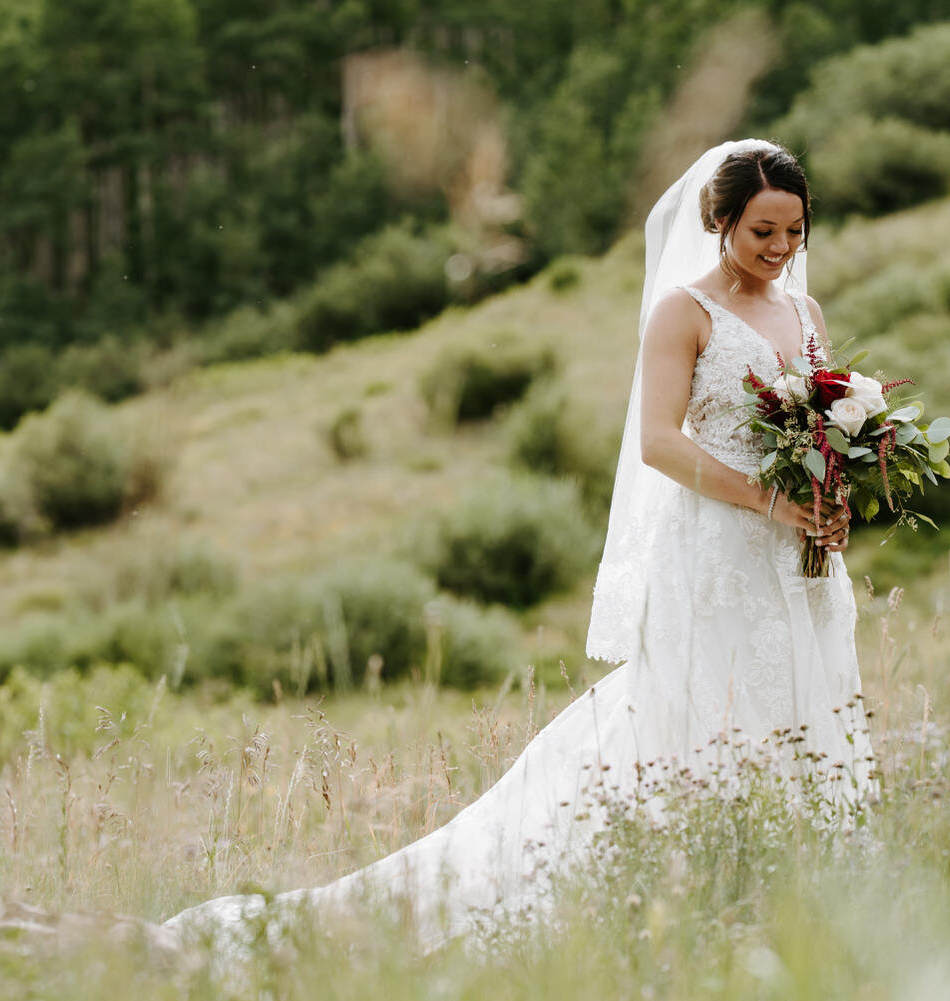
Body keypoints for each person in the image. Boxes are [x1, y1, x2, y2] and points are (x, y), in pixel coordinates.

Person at [164, 139, 876, 952]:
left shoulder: (806, 314)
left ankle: (804, 897)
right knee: (705, 721)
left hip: (797, 561)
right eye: (762, 233)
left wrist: (828, 502)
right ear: (720, 222)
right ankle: (682, 890)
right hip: (717, 552)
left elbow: (818, 431)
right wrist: (767, 500)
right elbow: (656, 443)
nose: (781, 251)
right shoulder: (685, 312)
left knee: (805, 706)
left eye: (795, 232)